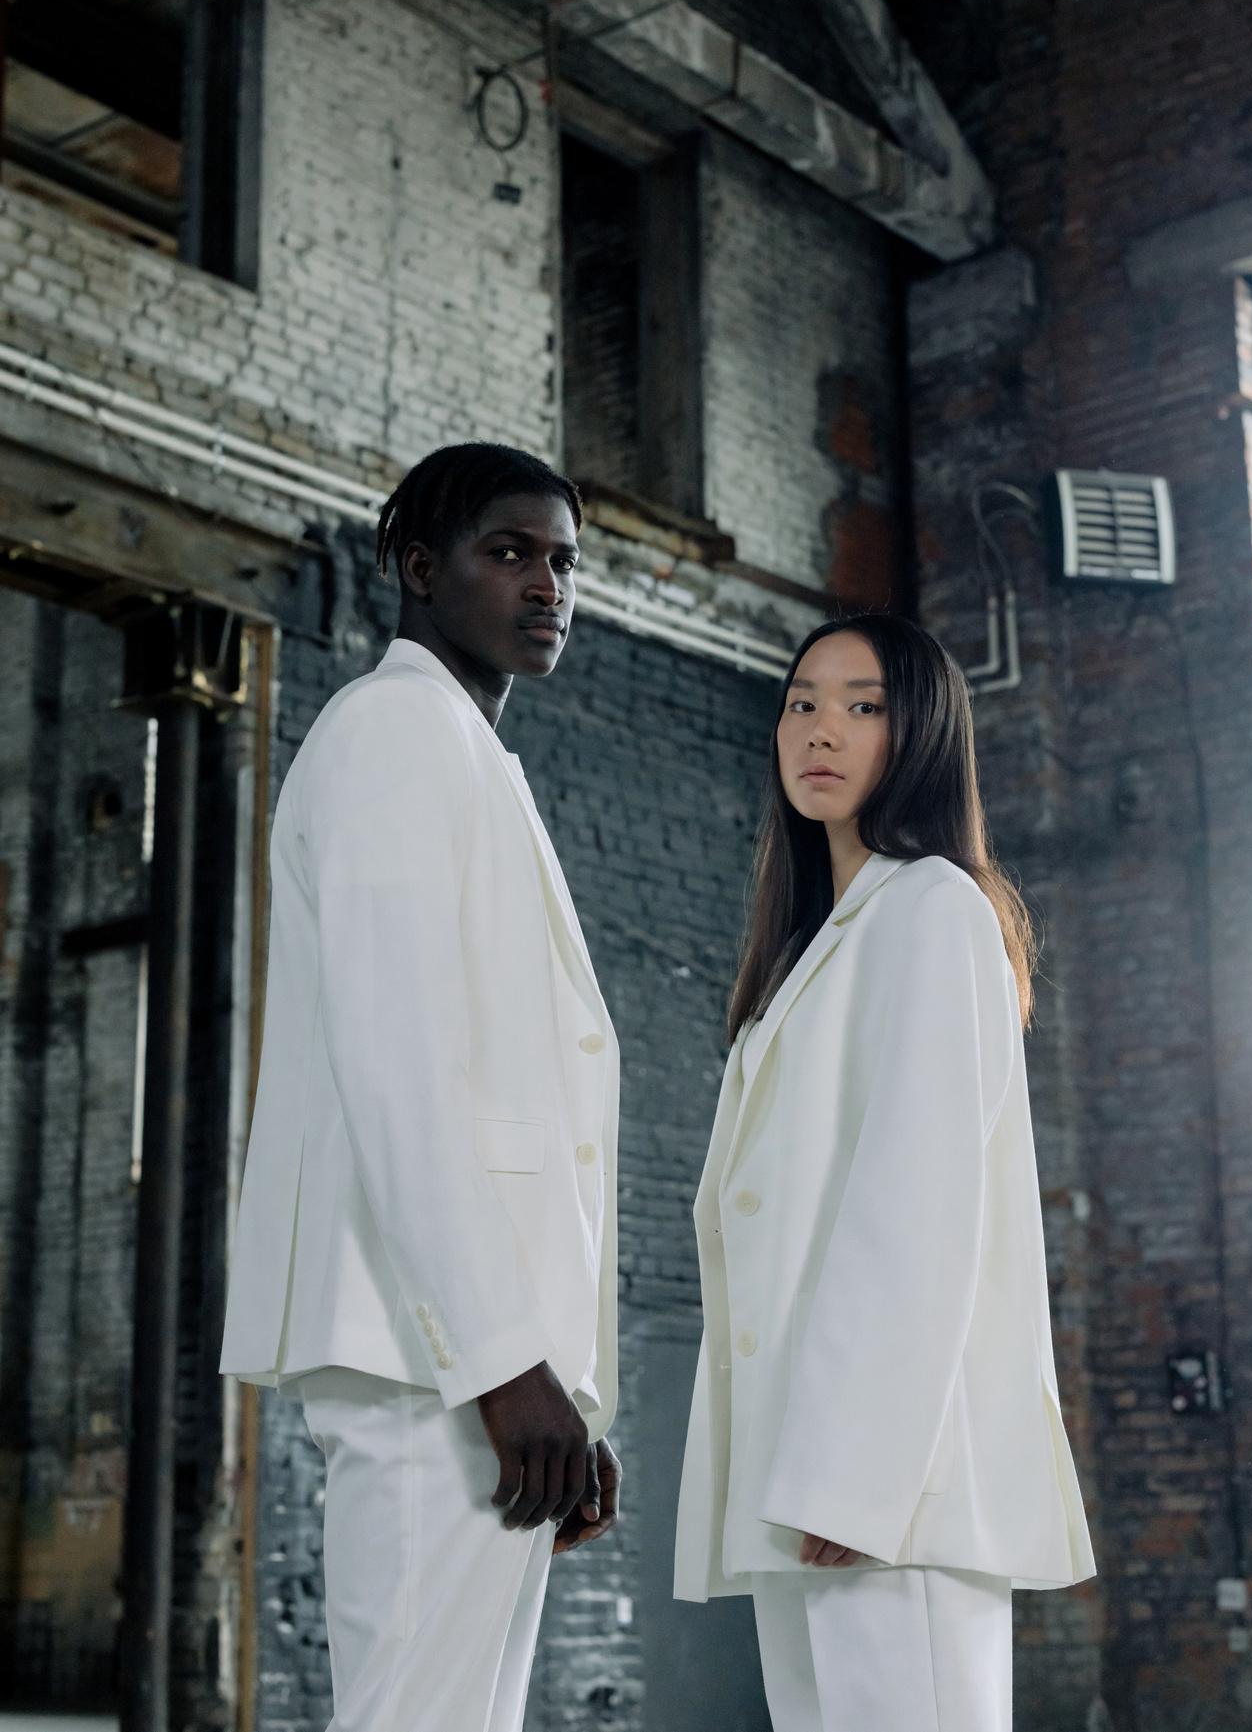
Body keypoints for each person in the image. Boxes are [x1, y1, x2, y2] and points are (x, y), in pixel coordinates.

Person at [220, 442, 621, 1732]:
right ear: (416, 567)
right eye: (508, 552)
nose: (546, 585)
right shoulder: (392, 733)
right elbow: (401, 1066)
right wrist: (506, 1364)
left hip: (466, 1353)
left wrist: (555, 1380)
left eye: (563, 561)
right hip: (429, 1353)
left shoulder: (465, 751)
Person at [674, 612, 1094, 1731]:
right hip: (805, 1471)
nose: (821, 730)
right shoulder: (816, 943)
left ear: (921, 735)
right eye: (802, 702)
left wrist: (853, 1471)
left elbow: (918, 1208)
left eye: (863, 706)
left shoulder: (932, 910)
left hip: (882, 1484)